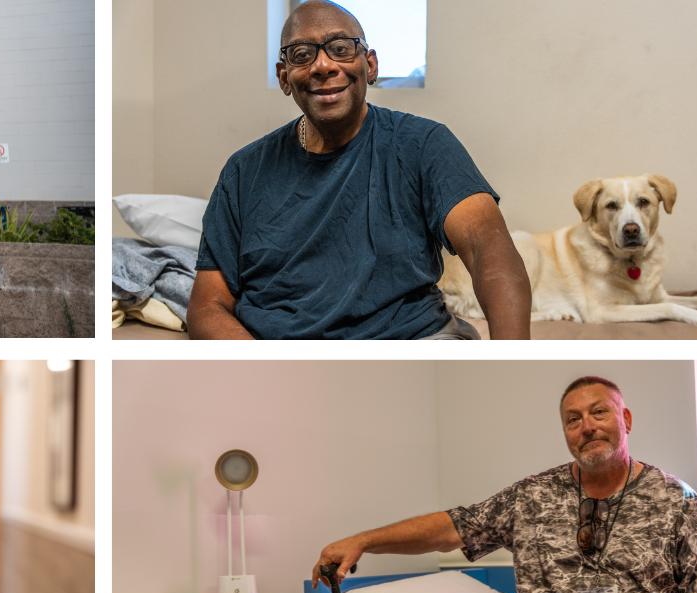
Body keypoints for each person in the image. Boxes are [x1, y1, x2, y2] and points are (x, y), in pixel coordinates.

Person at [312, 377, 697, 593]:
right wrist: (364, 540)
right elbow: (451, 528)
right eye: (573, 420)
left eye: (599, 413)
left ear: (625, 420)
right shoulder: (531, 497)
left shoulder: (677, 500)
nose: (586, 427)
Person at [189, 0, 532, 339]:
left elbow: (491, 252)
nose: (323, 65)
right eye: (302, 54)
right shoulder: (242, 172)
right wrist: (267, 372)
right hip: (280, 358)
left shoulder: (424, 144)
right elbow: (207, 307)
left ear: (370, 65)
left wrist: (511, 361)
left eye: (340, 48)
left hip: (413, 341)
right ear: (284, 77)